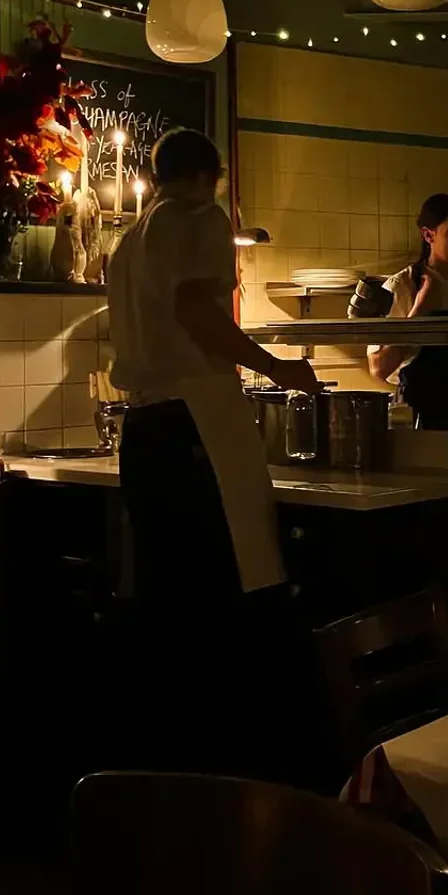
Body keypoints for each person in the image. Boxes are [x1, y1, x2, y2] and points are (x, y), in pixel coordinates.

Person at [108, 128, 319, 771]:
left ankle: (173, 772)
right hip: (194, 424)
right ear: (212, 177)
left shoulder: (126, 241)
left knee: (169, 610)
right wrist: (278, 369)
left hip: (145, 431)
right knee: (219, 606)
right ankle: (231, 772)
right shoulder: (200, 218)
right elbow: (198, 312)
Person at [367, 193, 448, 431]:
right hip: (417, 417)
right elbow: (378, 368)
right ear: (428, 235)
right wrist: (420, 310)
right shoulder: (402, 286)